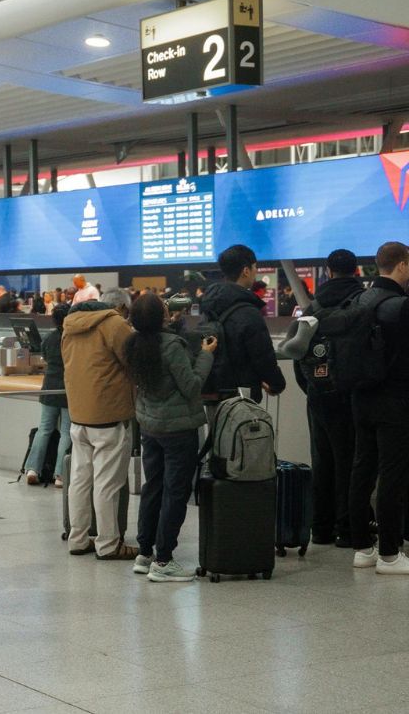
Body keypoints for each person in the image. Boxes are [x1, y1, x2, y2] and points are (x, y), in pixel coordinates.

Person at [125, 293, 215, 582]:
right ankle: (164, 560)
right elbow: (191, 386)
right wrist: (206, 355)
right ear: (161, 317)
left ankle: (145, 552)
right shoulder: (172, 346)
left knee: (154, 487)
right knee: (176, 492)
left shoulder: (134, 343)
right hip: (178, 429)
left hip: (150, 426)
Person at [291, 249, 364, 547]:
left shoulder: (311, 309)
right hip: (353, 394)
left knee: (321, 460)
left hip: (318, 396)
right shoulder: (362, 304)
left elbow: (297, 356)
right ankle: (348, 528)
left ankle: (320, 528)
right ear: (357, 270)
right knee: (352, 461)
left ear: (329, 271)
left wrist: (312, 387)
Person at [62, 287, 137, 560]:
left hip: (78, 415)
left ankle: (78, 539)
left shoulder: (70, 325)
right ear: (122, 309)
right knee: (107, 484)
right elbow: (135, 359)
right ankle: (108, 544)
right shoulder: (114, 325)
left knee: (80, 481)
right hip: (108, 415)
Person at [351, 242, 409, 573]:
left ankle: (362, 548)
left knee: (362, 469)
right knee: (392, 474)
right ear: (401, 265)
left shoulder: (359, 299)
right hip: (395, 401)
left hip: (361, 398)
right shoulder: (400, 306)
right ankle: (390, 553)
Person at [199, 244, 286, 408]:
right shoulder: (248, 311)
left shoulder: (209, 306)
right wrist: (276, 384)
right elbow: (262, 356)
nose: (255, 272)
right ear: (246, 270)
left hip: (214, 393)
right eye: (255, 268)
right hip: (242, 397)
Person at [24, 304, 72, 488]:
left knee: (44, 429)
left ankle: (32, 469)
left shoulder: (49, 339)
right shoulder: (72, 339)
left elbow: (44, 357)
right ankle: (60, 475)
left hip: (49, 388)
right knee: (66, 432)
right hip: (67, 390)